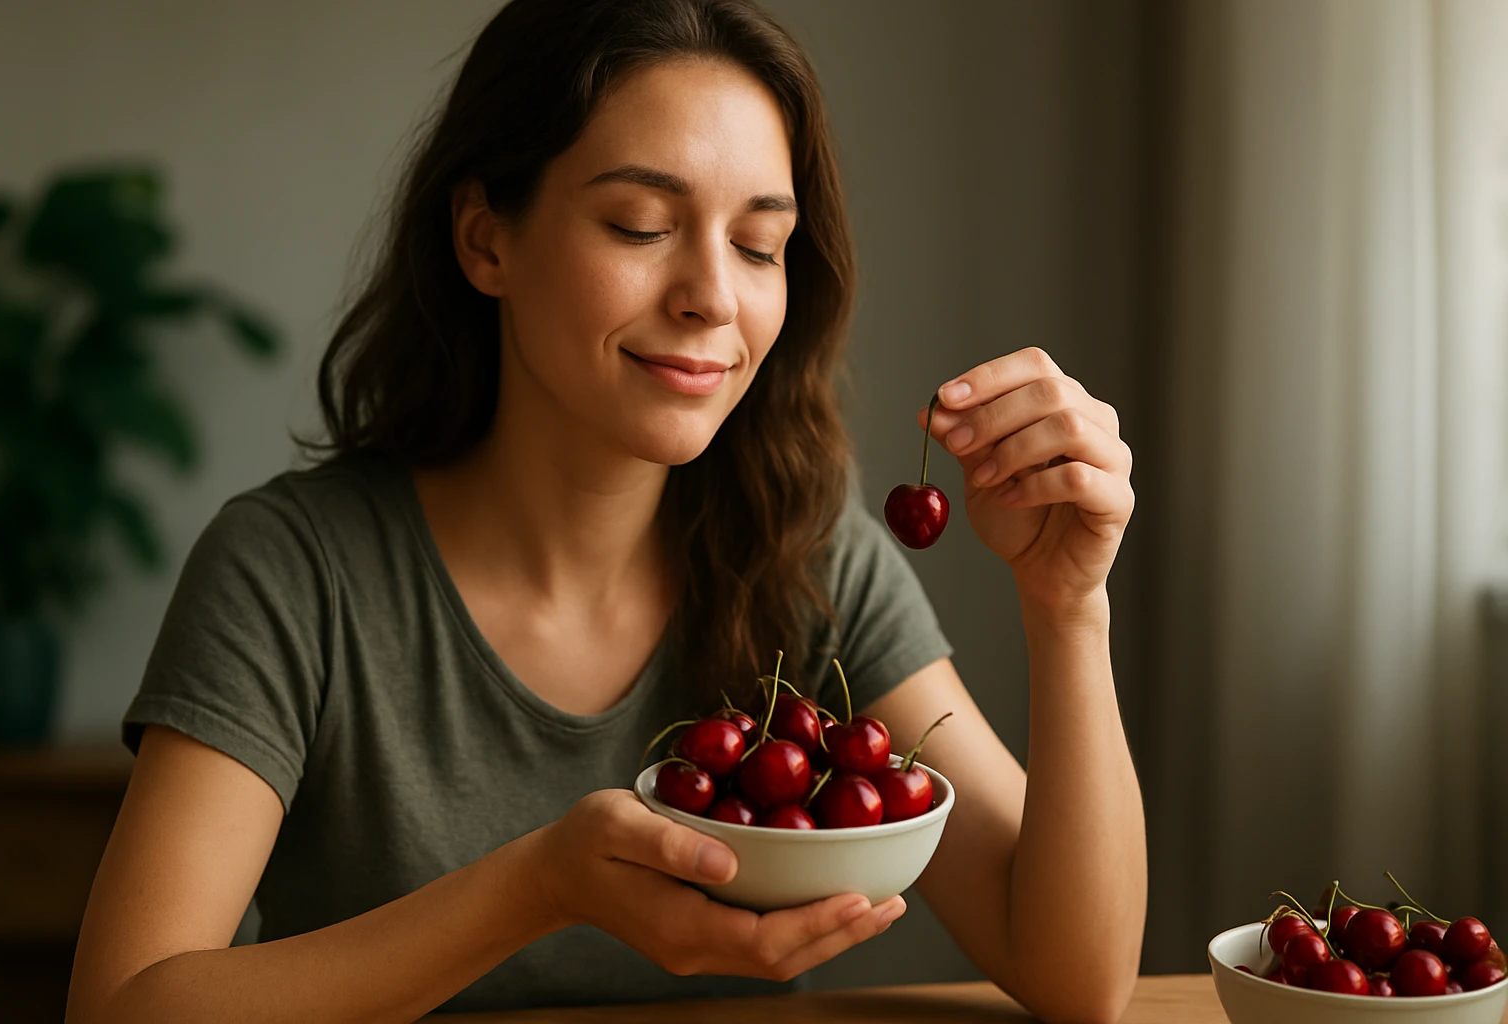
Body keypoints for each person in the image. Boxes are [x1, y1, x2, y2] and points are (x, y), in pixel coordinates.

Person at [66, 1, 1146, 1020]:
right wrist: (536, 886)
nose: (713, 297)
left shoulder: (806, 555)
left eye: (759, 245)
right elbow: (121, 1006)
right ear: (487, 239)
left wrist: (1068, 607)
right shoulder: (294, 573)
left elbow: (1079, 980)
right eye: (640, 225)